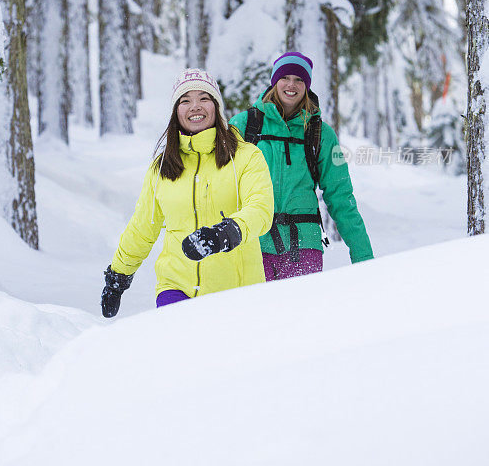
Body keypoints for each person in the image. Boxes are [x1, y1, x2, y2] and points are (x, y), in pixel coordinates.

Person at [101, 68, 274, 316]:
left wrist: (226, 233)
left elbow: (261, 210)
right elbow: (142, 227)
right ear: (176, 111)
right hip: (175, 288)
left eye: (204, 98)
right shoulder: (162, 167)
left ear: (216, 107)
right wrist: (118, 275)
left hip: (236, 291)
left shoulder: (246, 157)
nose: (195, 107)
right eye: (185, 100)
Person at [230, 52, 373, 281]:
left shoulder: (322, 134)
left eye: (299, 80)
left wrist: (363, 254)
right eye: (285, 77)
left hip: (304, 247)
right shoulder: (244, 125)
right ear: (274, 81)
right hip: (254, 245)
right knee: (257, 316)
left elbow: (341, 196)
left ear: (307, 86)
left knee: (301, 316)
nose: (291, 85)